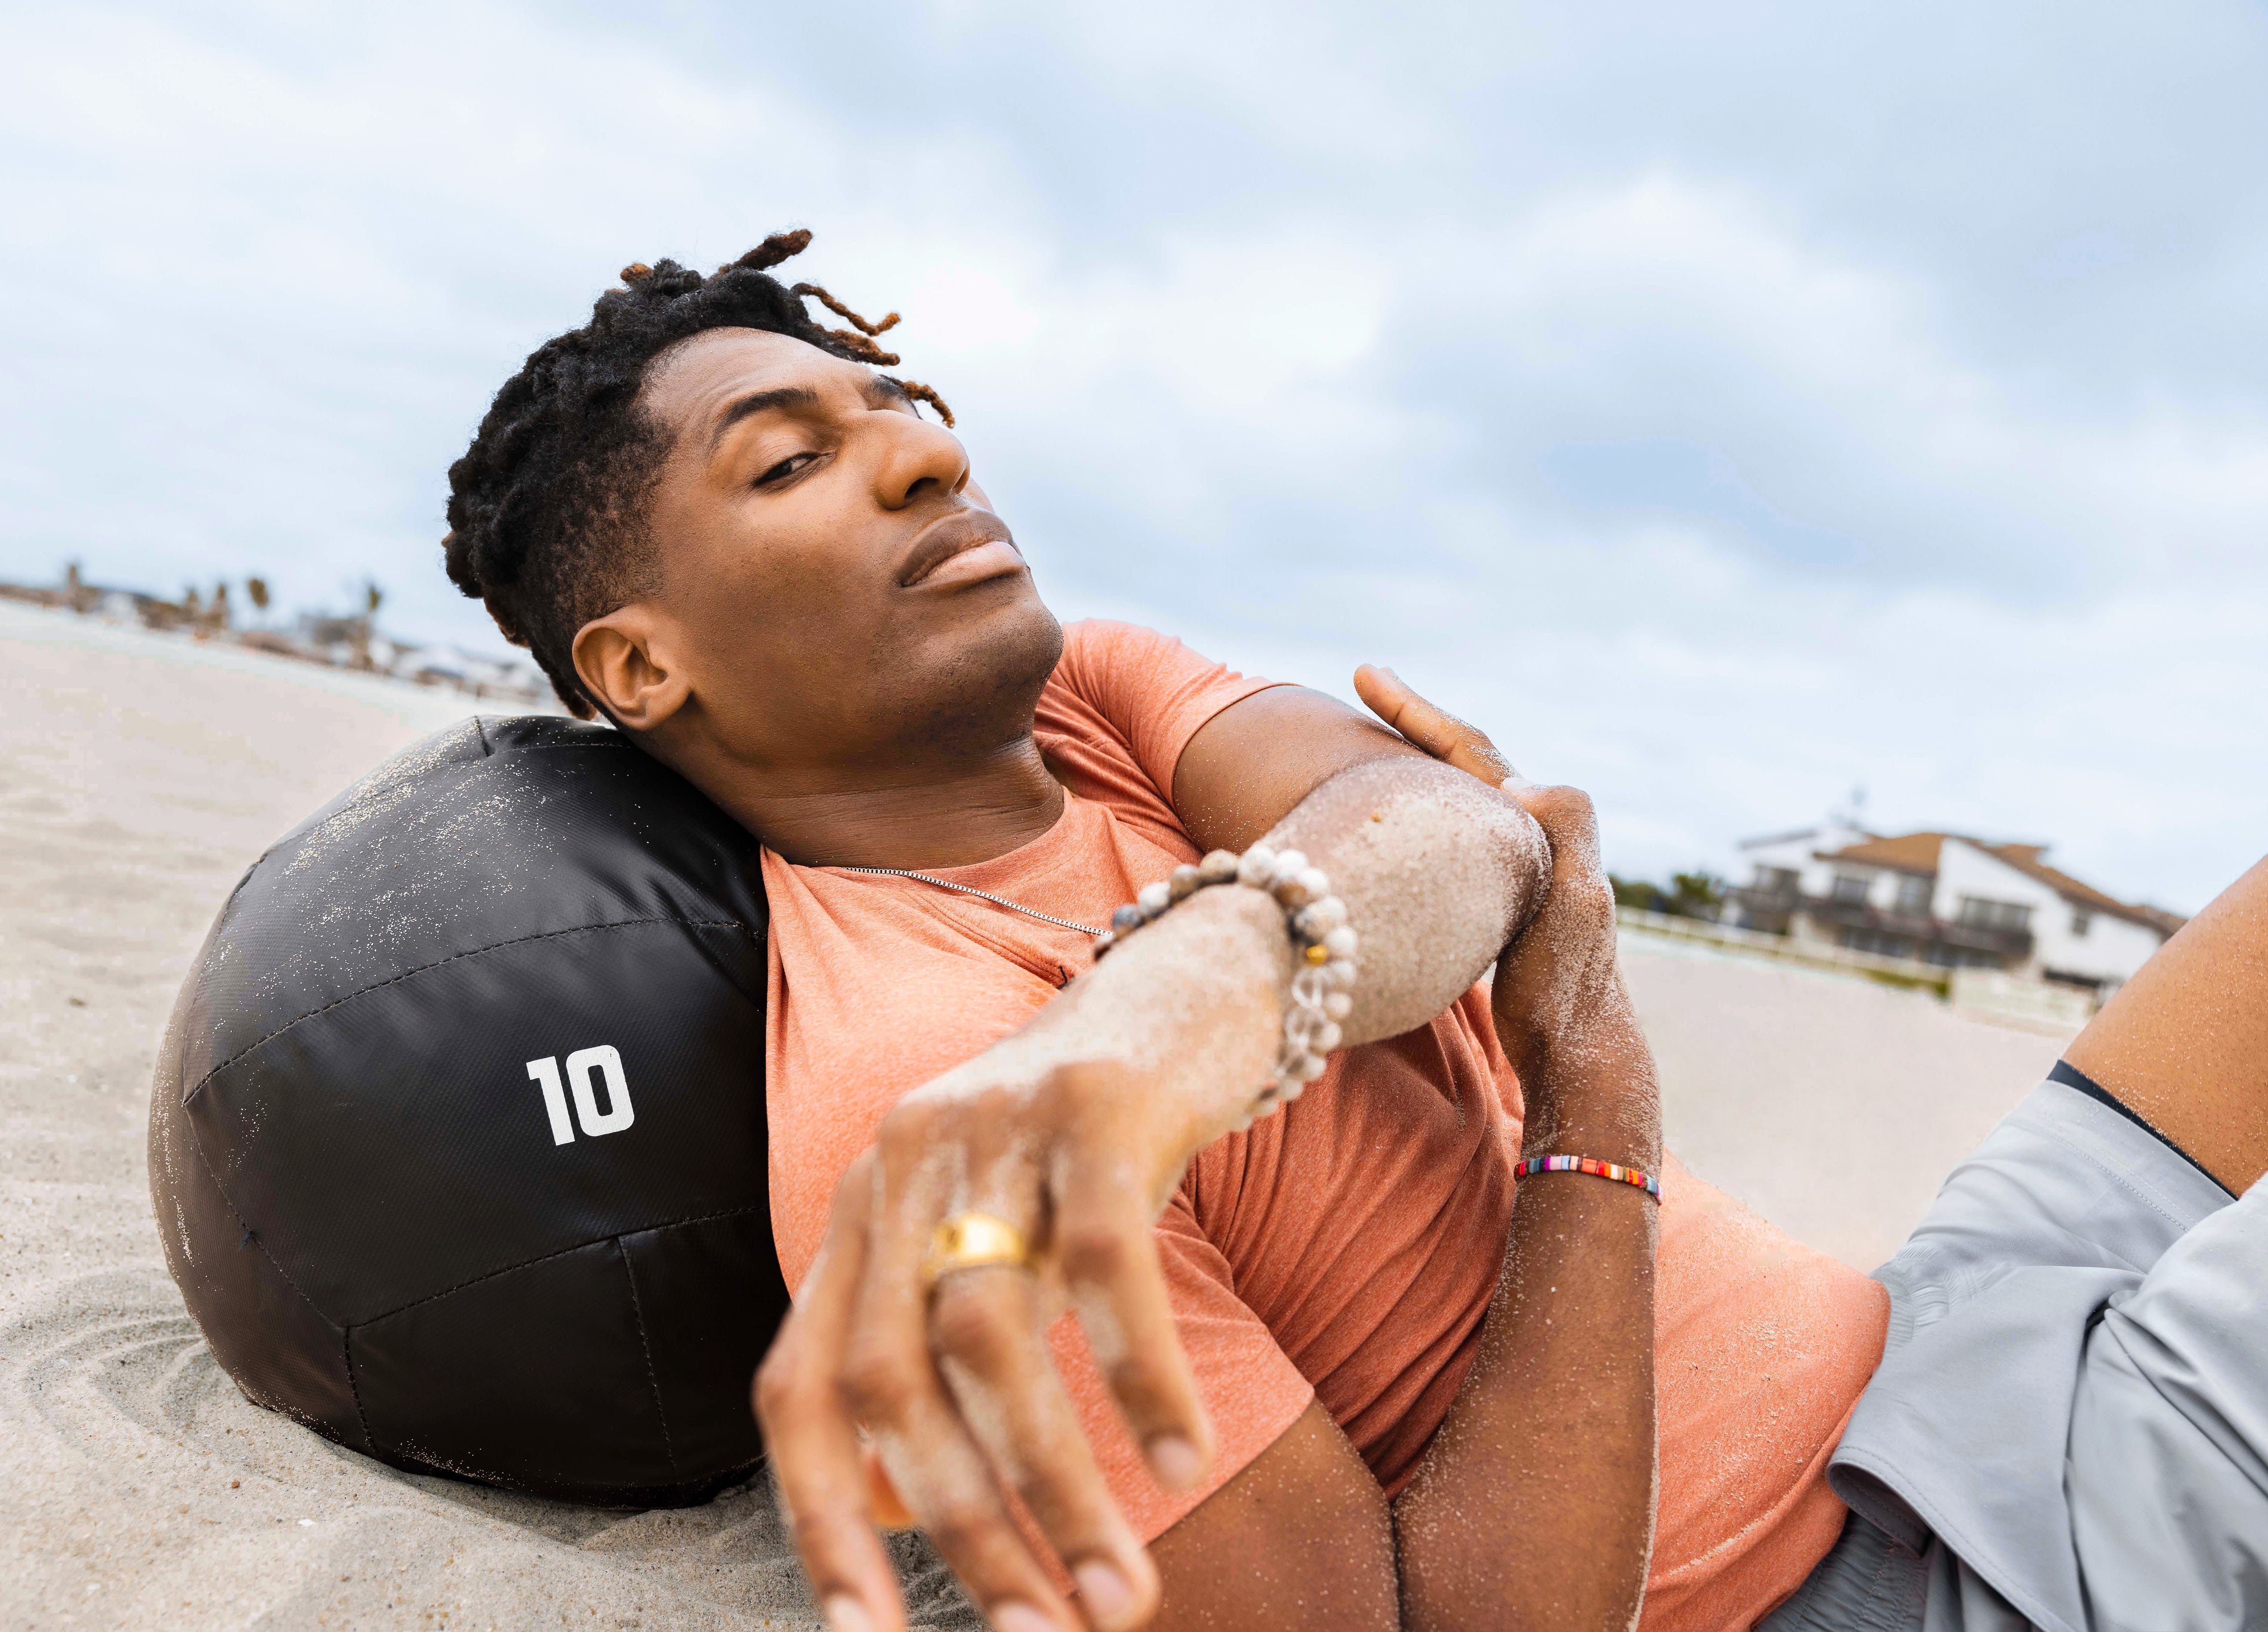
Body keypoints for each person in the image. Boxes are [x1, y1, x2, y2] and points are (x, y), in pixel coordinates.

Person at [440, 230, 2265, 1632]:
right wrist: (1592, 1114)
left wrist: (1180, 998)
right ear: (642, 663)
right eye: (788, 464)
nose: (925, 459)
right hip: (1928, 1570)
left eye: (900, 408)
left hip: (1941, 1339)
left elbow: (1455, 833)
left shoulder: (1083, 697)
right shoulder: (923, 1103)